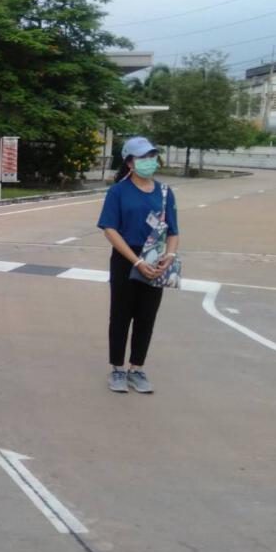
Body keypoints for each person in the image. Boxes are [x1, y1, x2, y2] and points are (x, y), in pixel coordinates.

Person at [96, 136, 179, 395]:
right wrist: (136, 261)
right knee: (121, 316)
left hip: (155, 260)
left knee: (146, 316)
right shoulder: (118, 192)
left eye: (152, 156)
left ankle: (137, 369)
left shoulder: (164, 192)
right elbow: (109, 229)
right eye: (143, 157)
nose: (149, 161)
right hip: (126, 259)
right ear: (130, 162)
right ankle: (117, 368)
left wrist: (170, 256)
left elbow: (173, 231)